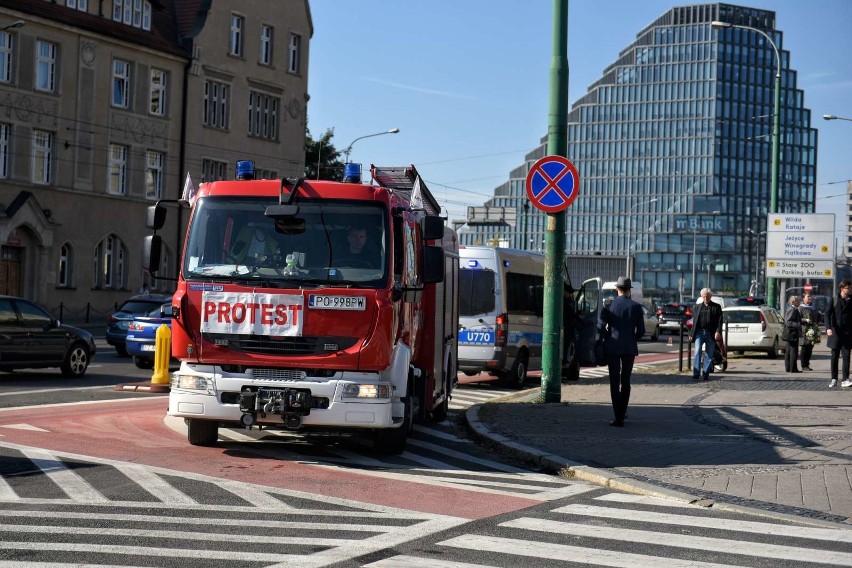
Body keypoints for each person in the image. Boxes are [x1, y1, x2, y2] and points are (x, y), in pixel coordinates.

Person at [597, 276, 644, 427]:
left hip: (613, 347)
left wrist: (607, 336)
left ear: (617, 289)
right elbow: (641, 331)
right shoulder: (636, 307)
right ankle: (623, 411)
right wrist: (632, 338)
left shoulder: (609, 306)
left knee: (614, 382)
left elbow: (599, 327)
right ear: (629, 290)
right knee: (626, 381)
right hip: (629, 348)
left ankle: (618, 417)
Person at [689, 288, 723, 381]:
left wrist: (718, 331)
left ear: (710, 296)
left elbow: (720, 321)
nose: (705, 298)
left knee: (709, 354)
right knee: (697, 352)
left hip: (711, 333)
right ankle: (696, 373)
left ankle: (705, 374)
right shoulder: (697, 307)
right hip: (699, 332)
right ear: (701, 297)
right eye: (704, 296)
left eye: (707, 296)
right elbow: (694, 321)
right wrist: (692, 333)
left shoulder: (716, 307)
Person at [825, 279, 852, 388]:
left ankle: (845, 379)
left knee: (846, 356)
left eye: (851, 288)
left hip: (848, 333)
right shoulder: (834, 299)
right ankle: (834, 378)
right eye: (848, 288)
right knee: (834, 356)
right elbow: (827, 314)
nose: (850, 289)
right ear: (842, 289)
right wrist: (828, 328)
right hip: (835, 332)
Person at [799, 292, 820, 371]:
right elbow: (798, 319)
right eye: (808, 296)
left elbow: (818, 316)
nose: (809, 298)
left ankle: (807, 364)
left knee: (810, 347)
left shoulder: (813, 307)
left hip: (813, 329)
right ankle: (803, 365)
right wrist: (805, 320)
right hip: (804, 329)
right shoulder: (801, 308)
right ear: (803, 298)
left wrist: (818, 321)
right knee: (805, 347)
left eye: (810, 296)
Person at [784, 296, 802, 373]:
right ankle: (793, 368)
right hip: (792, 334)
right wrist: (798, 324)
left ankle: (788, 368)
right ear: (794, 301)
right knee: (793, 352)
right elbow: (788, 322)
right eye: (798, 301)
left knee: (788, 351)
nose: (799, 302)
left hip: (790, 333)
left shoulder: (791, 309)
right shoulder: (792, 310)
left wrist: (803, 321)